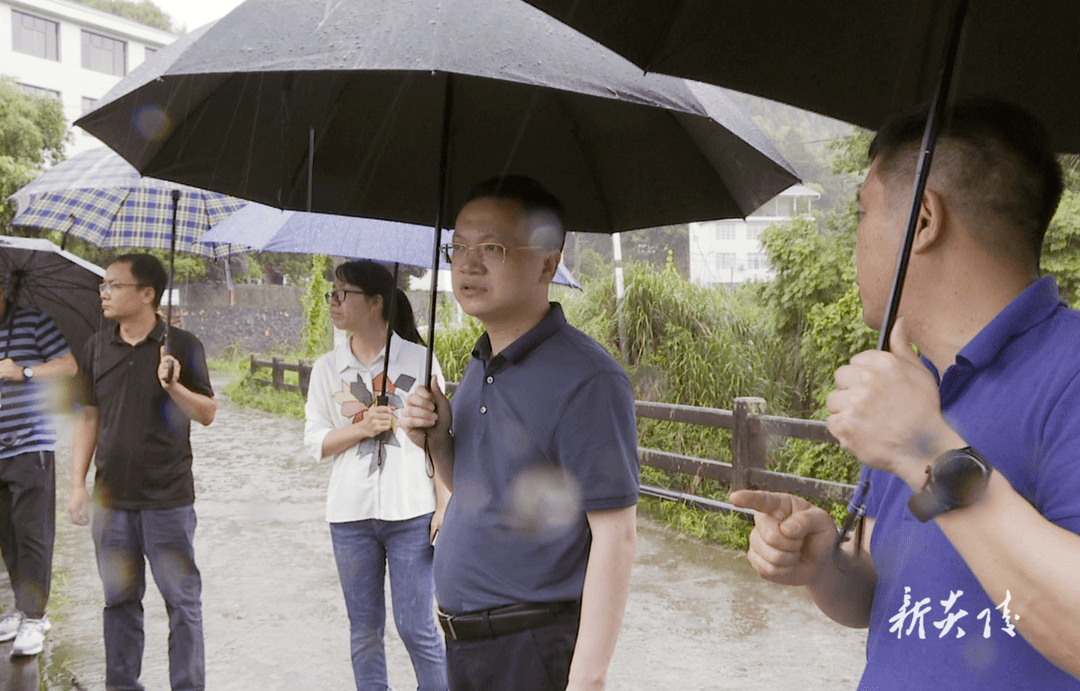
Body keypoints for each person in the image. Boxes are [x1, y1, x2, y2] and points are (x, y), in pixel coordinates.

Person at [730, 99, 1080, 689]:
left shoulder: (1068, 371)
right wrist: (825, 567)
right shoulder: (912, 384)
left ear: (922, 219)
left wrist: (926, 449)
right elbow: (881, 594)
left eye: (864, 212)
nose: (855, 241)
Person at [400, 176, 639, 691]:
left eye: (492, 247)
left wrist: (587, 681)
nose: (467, 264)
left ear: (548, 263)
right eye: (457, 247)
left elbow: (616, 536)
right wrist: (439, 442)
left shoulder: (588, 379)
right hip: (466, 646)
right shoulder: (478, 363)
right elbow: (476, 492)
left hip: (530, 649)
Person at [68, 253, 216, 691]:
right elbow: (88, 418)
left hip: (167, 501)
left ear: (147, 294)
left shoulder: (182, 345)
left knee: (182, 603)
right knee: (119, 603)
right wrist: (77, 483)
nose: (105, 293)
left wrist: (174, 385)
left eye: (114, 285)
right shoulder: (96, 346)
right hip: (111, 501)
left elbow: (206, 413)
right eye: (103, 286)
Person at [303, 260, 449, 691]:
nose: (332, 302)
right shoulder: (327, 368)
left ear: (374, 302)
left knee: (416, 627)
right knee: (364, 632)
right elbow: (315, 440)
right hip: (350, 516)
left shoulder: (419, 360)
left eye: (340, 293)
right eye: (331, 293)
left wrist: (444, 503)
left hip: (412, 513)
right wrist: (362, 427)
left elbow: (443, 438)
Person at [0, 283, 77, 657]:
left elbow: (68, 365)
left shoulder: (33, 322)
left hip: (31, 443)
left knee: (32, 532)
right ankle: (20, 606)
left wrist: (23, 372)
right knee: (8, 534)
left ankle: (35, 617)